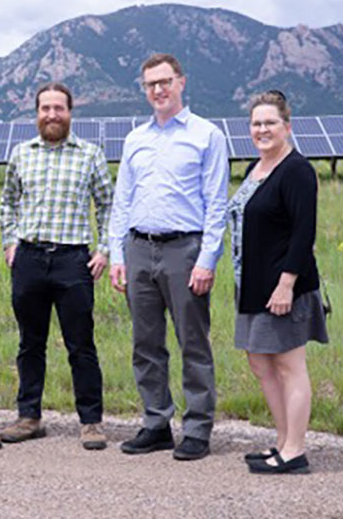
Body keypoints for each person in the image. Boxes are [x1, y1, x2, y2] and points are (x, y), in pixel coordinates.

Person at [109, 53, 229, 460]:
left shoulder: (206, 135)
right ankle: (156, 422)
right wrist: (117, 254)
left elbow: (216, 204)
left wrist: (207, 259)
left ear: (181, 82)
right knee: (145, 343)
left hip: (185, 250)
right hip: (139, 249)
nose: (158, 90)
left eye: (165, 81)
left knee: (192, 343)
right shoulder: (135, 139)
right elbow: (121, 199)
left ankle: (197, 428)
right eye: (150, 84)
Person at [0, 82, 113, 450]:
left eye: (58, 108)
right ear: (36, 113)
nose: (51, 114)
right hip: (29, 259)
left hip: (72, 261)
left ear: (69, 113)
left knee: (81, 344)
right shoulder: (20, 153)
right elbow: (7, 204)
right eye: (45, 108)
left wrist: (105, 249)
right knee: (30, 343)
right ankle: (29, 416)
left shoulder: (90, 154)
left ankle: (91, 422)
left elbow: (108, 205)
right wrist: (10, 241)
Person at [229, 90, 328, 474]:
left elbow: (304, 233)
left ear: (287, 126)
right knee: (260, 363)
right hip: (253, 286)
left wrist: (287, 283)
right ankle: (283, 441)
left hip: (283, 287)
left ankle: (295, 451)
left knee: (289, 365)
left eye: (270, 122)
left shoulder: (296, 169)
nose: (262, 129)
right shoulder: (258, 168)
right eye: (256, 123)